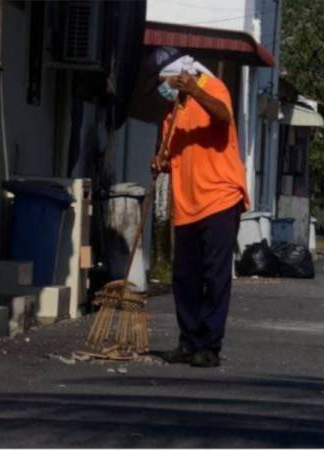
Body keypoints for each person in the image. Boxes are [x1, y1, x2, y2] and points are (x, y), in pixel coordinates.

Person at [149, 47, 250, 367]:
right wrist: (160, 163)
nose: (161, 87)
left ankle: (209, 345)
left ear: (181, 75)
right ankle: (188, 340)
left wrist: (194, 90)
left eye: (164, 80)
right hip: (187, 203)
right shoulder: (171, 114)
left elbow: (223, 116)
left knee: (215, 274)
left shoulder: (212, 88)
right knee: (185, 276)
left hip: (220, 197)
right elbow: (174, 156)